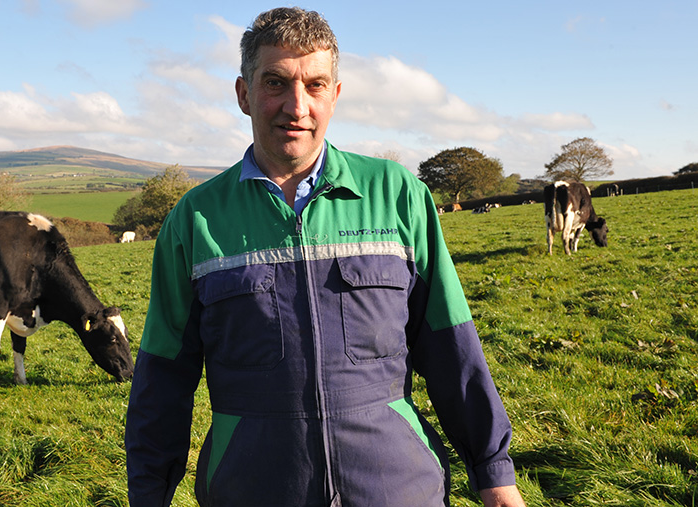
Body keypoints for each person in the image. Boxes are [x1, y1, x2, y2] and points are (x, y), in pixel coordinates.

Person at [125, 7, 526, 507]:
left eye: (315, 85)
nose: (297, 106)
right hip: (252, 491)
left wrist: (494, 473)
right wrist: (147, 493)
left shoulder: (398, 194)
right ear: (244, 94)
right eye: (275, 82)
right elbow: (163, 379)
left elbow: (453, 349)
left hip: (396, 488)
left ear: (335, 96)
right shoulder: (194, 220)